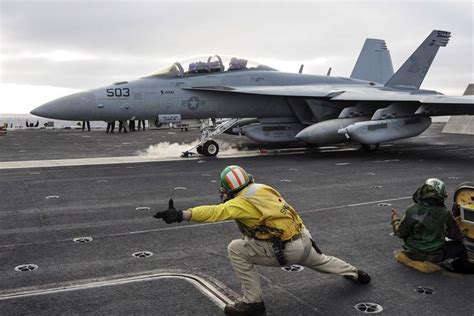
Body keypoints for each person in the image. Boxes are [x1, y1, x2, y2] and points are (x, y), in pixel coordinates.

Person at [154, 165, 371, 315]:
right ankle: (355, 273)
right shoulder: (263, 188)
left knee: (236, 248)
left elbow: (215, 212)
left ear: (228, 189)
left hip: (284, 249)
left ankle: (253, 302)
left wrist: (182, 214)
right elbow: (288, 211)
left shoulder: (240, 202)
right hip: (303, 238)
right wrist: (308, 239)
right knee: (321, 260)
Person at [391, 178, 474, 274]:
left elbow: (400, 233)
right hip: (432, 256)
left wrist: (395, 219)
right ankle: (465, 270)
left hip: (410, 252)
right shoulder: (444, 213)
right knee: (460, 247)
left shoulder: (410, 210)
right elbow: (456, 236)